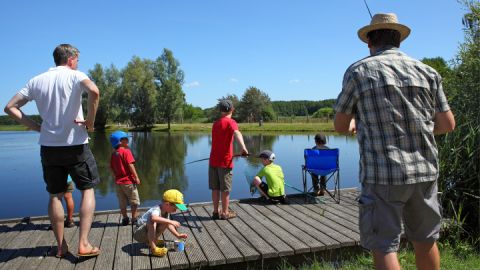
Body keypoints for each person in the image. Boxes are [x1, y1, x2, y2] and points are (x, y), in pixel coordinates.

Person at [334, 13, 455, 270]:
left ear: (369, 41)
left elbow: (340, 125)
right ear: (398, 40)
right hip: (424, 172)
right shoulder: (428, 72)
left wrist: (356, 121)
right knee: (426, 240)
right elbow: (447, 125)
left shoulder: (358, 71)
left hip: (382, 175)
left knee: (384, 245)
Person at [4, 44, 101, 258]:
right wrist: (90, 123)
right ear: (71, 59)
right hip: (76, 146)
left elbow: (10, 107)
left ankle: (60, 246)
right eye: (78, 60)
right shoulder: (75, 76)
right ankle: (83, 243)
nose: (78, 64)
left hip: (49, 147)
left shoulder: (36, 80)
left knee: (55, 196)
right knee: (87, 190)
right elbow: (94, 91)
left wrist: (37, 127)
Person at [209, 99, 248, 220]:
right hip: (225, 162)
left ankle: (215, 212)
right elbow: (237, 133)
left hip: (213, 161)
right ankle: (225, 213)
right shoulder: (231, 122)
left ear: (220, 110)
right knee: (225, 190)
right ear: (232, 110)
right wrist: (243, 149)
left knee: (215, 188)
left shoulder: (215, 124)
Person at [133, 189, 188, 257]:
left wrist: (178, 235)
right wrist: (170, 221)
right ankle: (153, 249)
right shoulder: (156, 209)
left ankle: (153, 241)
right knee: (152, 220)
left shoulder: (166, 211)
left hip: (146, 233)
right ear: (167, 204)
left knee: (165, 221)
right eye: (175, 208)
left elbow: (168, 224)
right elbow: (153, 218)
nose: (175, 210)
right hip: (138, 233)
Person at [110, 130, 141, 226]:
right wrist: (136, 177)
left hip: (119, 183)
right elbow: (130, 165)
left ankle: (125, 218)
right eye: (126, 139)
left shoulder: (114, 154)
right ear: (120, 141)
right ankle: (134, 218)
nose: (128, 141)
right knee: (134, 201)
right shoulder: (126, 152)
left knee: (122, 202)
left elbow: (111, 168)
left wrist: (116, 176)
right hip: (129, 182)